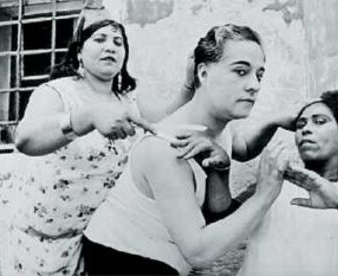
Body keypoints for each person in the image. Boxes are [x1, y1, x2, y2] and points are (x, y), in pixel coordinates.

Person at [82, 23, 294, 275]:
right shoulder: (167, 148)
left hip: (164, 261)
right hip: (122, 262)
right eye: (240, 71)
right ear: (202, 73)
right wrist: (264, 194)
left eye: (259, 75)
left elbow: (244, 148)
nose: (254, 86)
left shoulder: (220, 127)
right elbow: (199, 253)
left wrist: (275, 121)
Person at [5, 14, 194, 276]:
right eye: (100, 39)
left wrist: (188, 86)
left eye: (118, 42)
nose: (110, 46)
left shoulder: (128, 100)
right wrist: (86, 117)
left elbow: (162, 121)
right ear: (79, 53)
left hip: (98, 240)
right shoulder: (57, 92)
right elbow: (25, 139)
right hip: (42, 242)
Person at [238, 88, 338, 276]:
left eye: (319, 122)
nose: (305, 129)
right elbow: (220, 220)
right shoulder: (274, 181)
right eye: (300, 124)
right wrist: (220, 168)